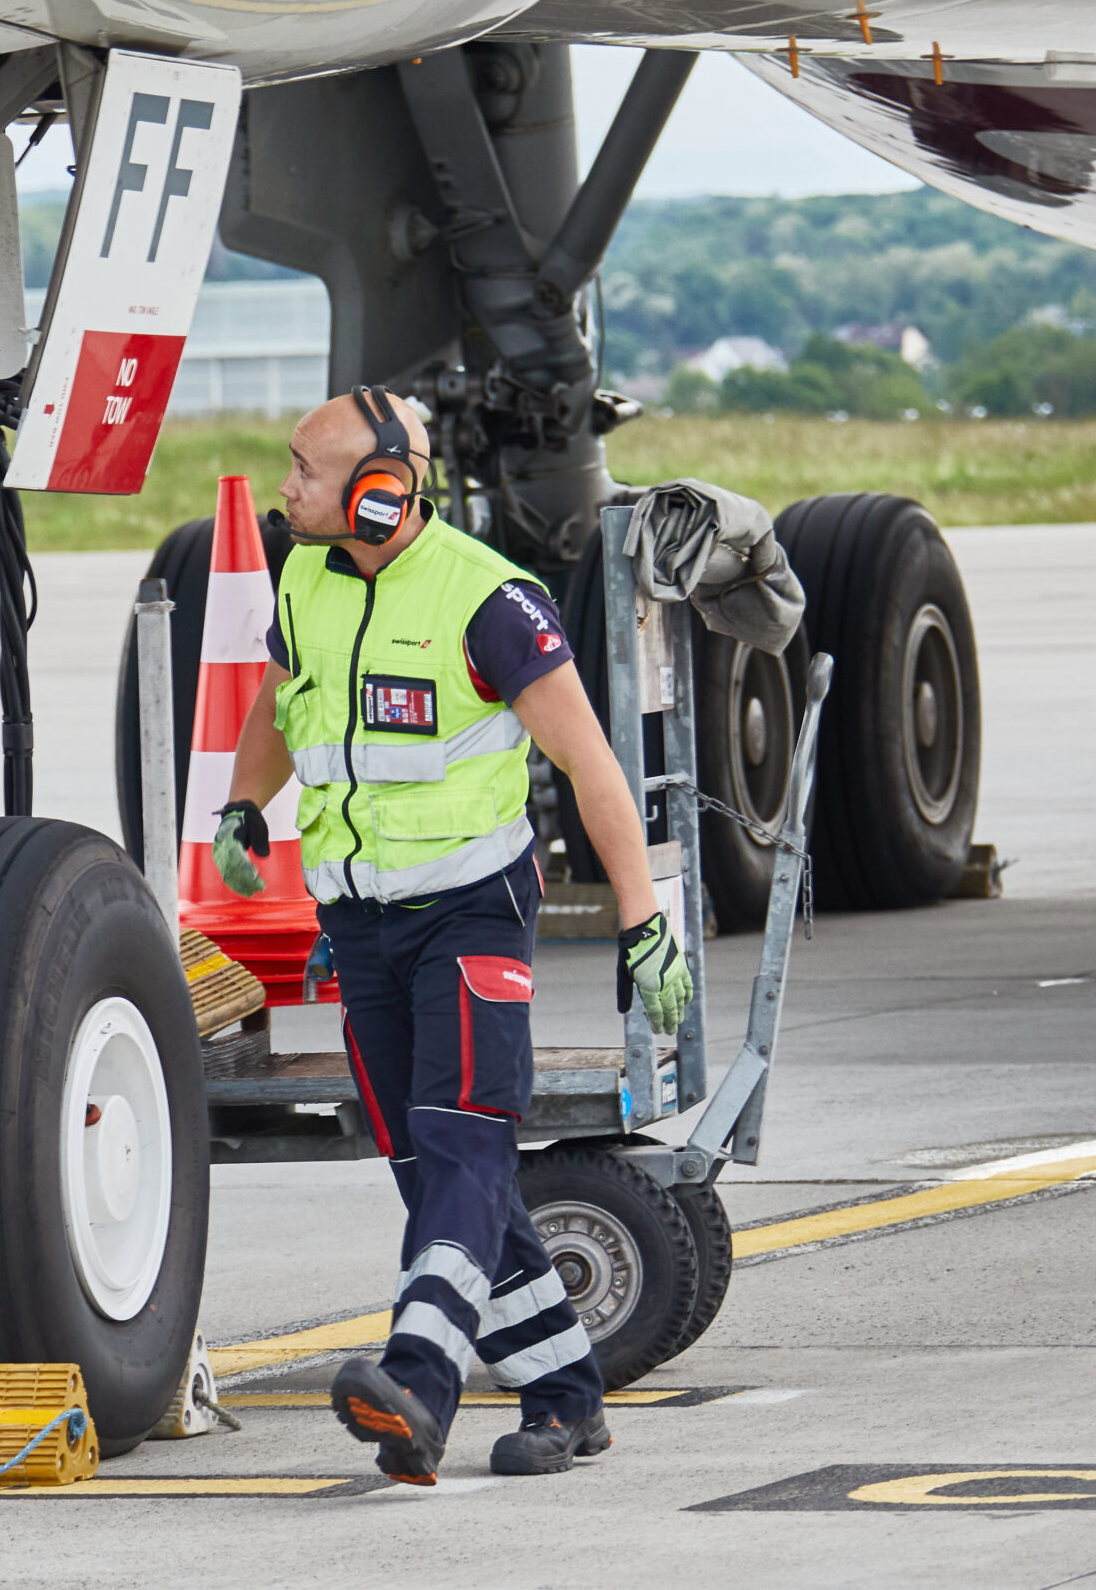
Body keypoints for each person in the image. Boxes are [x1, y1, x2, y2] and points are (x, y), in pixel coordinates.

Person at [212, 387, 693, 1486]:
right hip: (361, 925)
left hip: (471, 910)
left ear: (378, 494)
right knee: (430, 1168)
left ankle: (418, 1380)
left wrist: (640, 922)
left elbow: (588, 763)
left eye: (302, 471)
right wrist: (246, 807)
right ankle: (567, 1396)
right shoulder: (306, 576)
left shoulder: (489, 601)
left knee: (465, 1146)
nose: (282, 487)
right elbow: (284, 703)